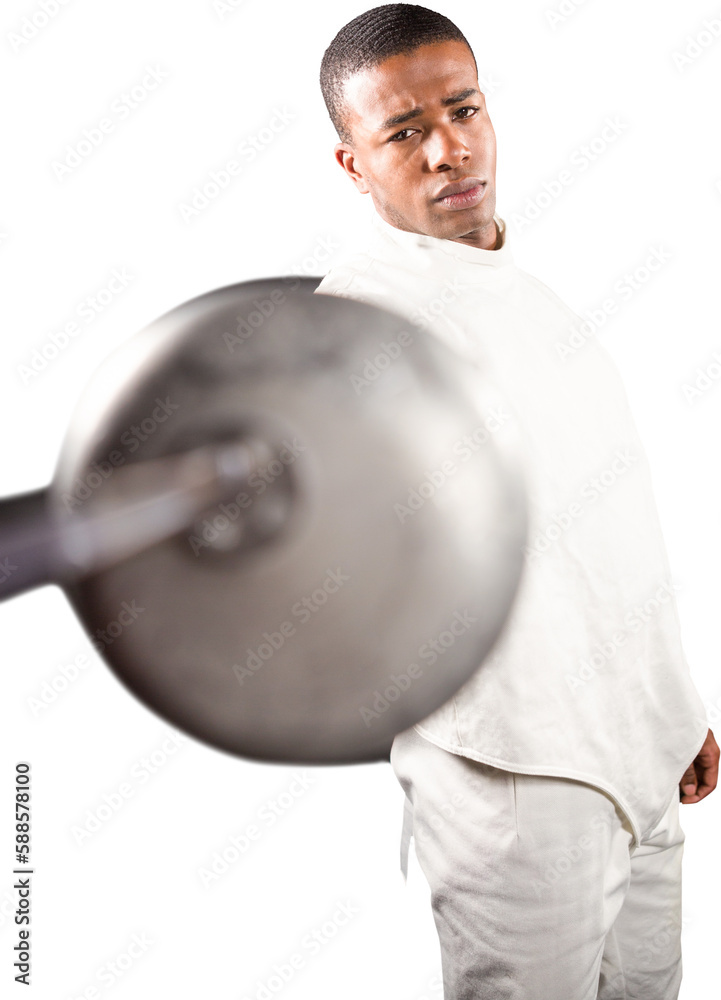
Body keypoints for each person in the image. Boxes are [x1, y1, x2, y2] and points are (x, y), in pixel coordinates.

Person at [314, 5, 719, 999]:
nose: (448, 148)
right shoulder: (351, 325)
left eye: (463, 108)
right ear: (353, 165)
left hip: (634, 756)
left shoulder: (535, 302)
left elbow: (607, 535)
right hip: (509, 776)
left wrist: (671, 708)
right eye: (403, 132)